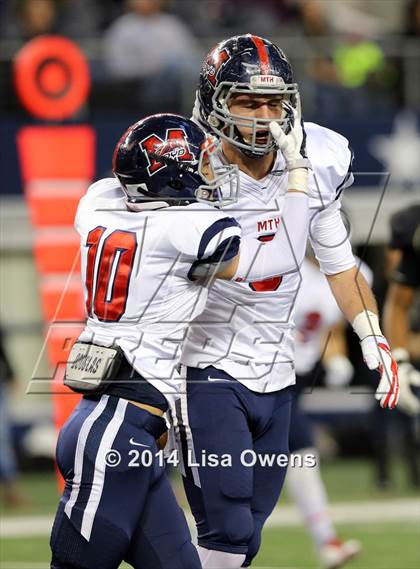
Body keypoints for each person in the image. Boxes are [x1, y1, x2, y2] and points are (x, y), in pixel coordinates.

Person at [175, 34, 400, 569]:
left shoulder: (316, 159)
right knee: (226, 520)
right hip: (204, 361)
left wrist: (372, 336)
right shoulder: (186, 167)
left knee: (248, 531)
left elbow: (340, 262)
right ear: (214, 103)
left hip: (275, 371)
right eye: (248, 102)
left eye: (274, 102)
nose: (265, 116)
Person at [49, 112, 312, 568]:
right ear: (177, 174)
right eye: (200, 164)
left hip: (123, 424)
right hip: (114, 428)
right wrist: (297, 176)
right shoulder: (188, 228)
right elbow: (283, 253)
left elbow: (123, 182)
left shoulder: (96, 206)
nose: (209, 173)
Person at [286, 254, 372, 569]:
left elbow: (330, 329)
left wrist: (336, 359)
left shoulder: (347, 273)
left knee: (300, 456)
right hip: (254, 376)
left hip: (292, 380)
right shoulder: (281, 261)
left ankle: (327, 541)